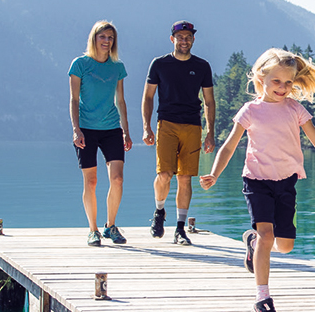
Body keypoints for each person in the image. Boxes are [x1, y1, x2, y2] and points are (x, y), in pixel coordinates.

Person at [199, 49, 315, 312]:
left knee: (285, 246)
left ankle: (252, 244)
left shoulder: (295, 109)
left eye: (288, 83)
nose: (283, 88)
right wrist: (215, 173)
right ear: (260, 77)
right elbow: (229, 145)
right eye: (277, 81)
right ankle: (262, 299)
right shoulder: (250, 111)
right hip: (256, 181)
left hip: (286, 182)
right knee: (267, 235)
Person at [142, 20, 216, 245]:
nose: (184, 40)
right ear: (172, 39)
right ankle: (159, 211)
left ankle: (180, 229)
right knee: (164, 174)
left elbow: (209, 101)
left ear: (193, 39)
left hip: (192, 126)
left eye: (188, 36)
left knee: (185, 178)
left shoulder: (202, 66)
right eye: (180, 37)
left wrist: (210, 132)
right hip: (167, 124)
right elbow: (148, 97)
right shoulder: (159, 64)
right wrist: (146, 126)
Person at [69, 21, 133, 247]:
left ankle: (110, 226)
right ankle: (92, 230)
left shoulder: (117, 67)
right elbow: (74, 99)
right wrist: (76, 129)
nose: (107, 41)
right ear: (94, 38)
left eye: (110, 38)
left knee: (117, 179)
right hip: (86, 128)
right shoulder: (80, 64)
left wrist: (126, 131)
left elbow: (121, 100)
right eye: (102, 37)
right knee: (92, 181)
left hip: (111, 128)